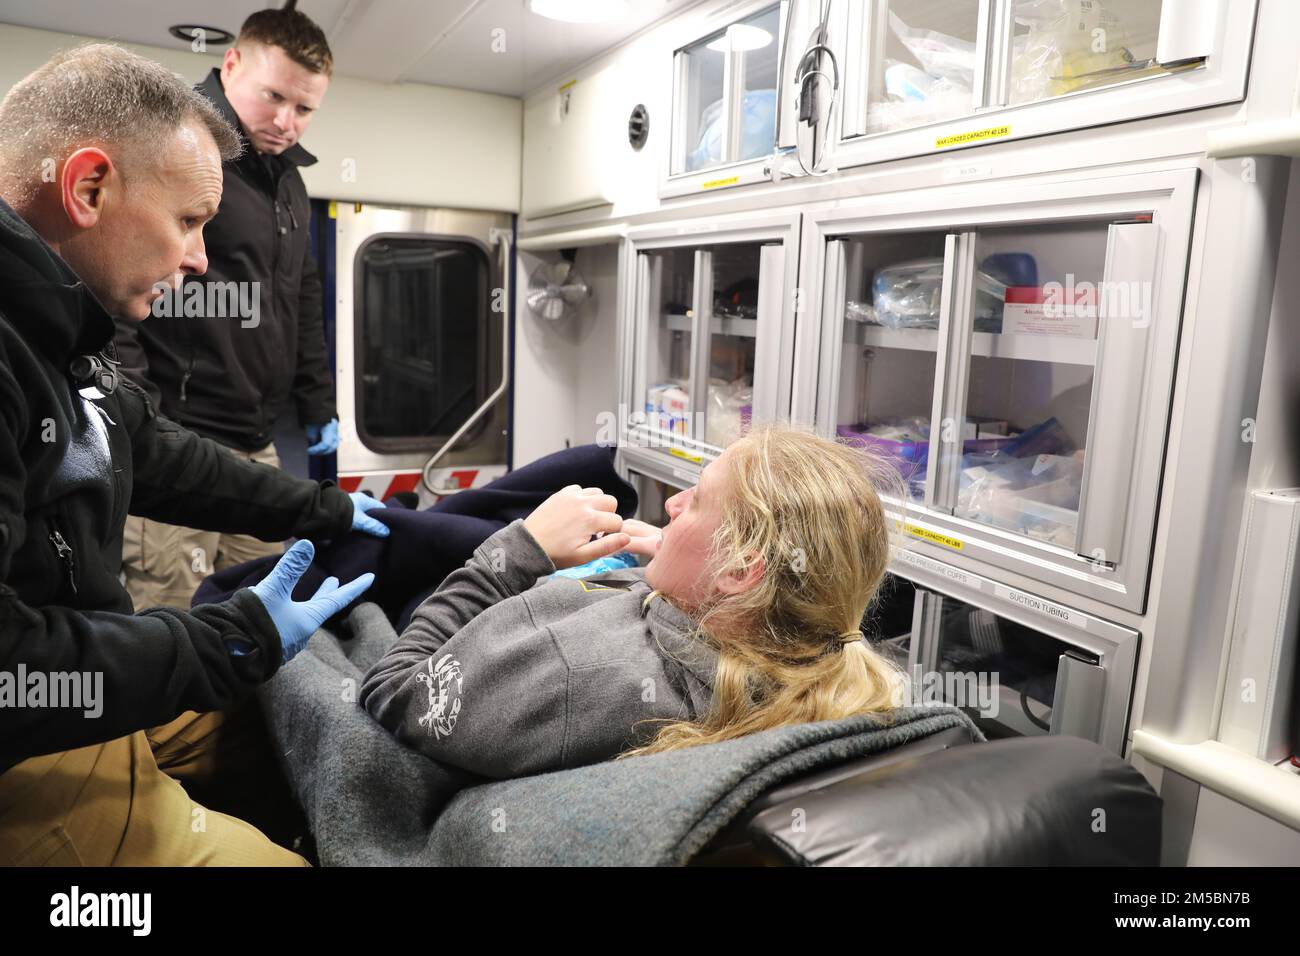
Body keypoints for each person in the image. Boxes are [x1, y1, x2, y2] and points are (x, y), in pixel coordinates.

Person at [0, 43, 386, 866]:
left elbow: (159, 454)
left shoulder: (61, 325)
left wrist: (330, 505)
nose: (201, 259)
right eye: (188, 221)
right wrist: (227, 641)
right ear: (89, 188)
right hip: (31, 759)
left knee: (309, 725)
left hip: (92, 692)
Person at [361, 425, 906, 777]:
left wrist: (516, 552)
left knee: (395, 538)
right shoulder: (812, 665)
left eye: (696, 501)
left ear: (739, 571)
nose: (672, 504)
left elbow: (393, 691)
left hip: (430, 641)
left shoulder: (578, 670)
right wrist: (666, 576)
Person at [115, 7, 340, 611]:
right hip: (179, 438)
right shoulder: (173, 147)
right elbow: (116, 283)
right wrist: (139, 412)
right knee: (171, 621)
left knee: (261, 613)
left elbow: (303, 296)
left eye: (306, 108)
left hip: (258, 441)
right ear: (232, 63)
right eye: (274, 98)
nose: (288, 123)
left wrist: (317, 401)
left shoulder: (289, 182)